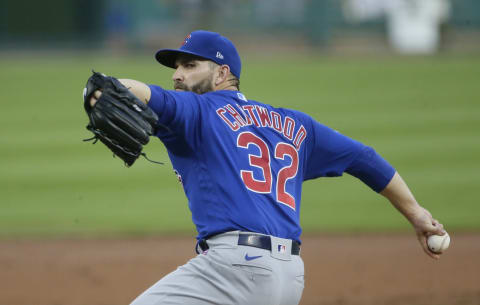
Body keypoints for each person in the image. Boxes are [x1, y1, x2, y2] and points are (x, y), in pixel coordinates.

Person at [88, 30, 447, 305]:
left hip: (232, 268)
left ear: (221, 73)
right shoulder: (295, 124)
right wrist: (415, 213)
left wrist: (100, 88)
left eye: (189, 65)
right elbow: (363, 158)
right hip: (289, 277)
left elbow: (142, 93)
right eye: (176, 67)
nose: (177, 75)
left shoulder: (196, 111)